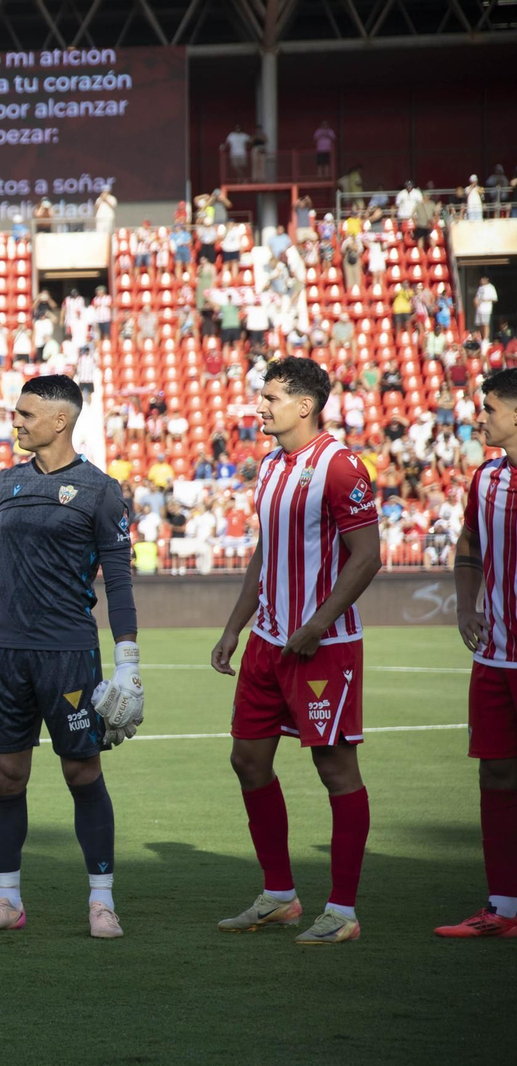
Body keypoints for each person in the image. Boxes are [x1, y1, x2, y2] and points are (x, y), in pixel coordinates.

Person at [0, 374, 142, 940]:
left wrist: (127, 661)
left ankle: (101, 901)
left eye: (27, 414)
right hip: (5, 654)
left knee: (81, 771)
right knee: (5, 776)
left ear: (60, 421)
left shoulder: (101, 490)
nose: (16, 422)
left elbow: (119, 583)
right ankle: (7, 901)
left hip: (69, 653)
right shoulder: (8, 483)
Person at [210, 356, 380, 945]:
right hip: (267, 643)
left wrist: (317, 623)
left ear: (305, 405)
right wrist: (236, 625)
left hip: (323, 647)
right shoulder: (271, 466)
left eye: (272, 397)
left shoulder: (340, 466)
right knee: (247, 761)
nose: (261, 406)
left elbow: (368, 556)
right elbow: (266, 553)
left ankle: (342, 911)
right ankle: (280, 896)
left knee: (334, 770)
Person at [436, 368, 517, 937]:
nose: (479, 416)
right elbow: (468, 543)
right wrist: (467, 606)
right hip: (494, 657)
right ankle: (503, 907)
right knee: (495, 773)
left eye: (489, 407)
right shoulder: (485, 478)